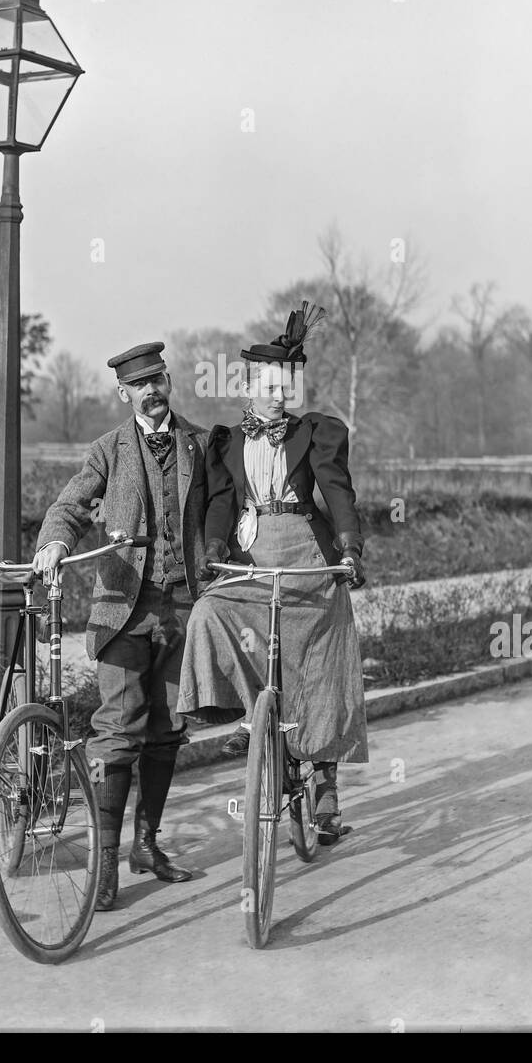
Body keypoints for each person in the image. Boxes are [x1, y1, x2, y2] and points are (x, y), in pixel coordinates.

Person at [175, 304, 368, 845]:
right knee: (211, 612)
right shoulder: (227, 442)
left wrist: (349, 545)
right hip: (251, 555)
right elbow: (219, 503)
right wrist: (215, 543)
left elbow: (336, 491)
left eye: (287, 386)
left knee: (322, 652)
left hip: (307, 550)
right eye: (269, 386)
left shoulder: (317, 434)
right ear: (249, 388)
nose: (279, 396)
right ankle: (250, 718)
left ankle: (325, 779)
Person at [33, 341, 209, 910]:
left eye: (158, 380)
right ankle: (104, 865)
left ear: (169, 381)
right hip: (123, 609)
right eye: (140, 385)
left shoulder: (200, 444)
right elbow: (70, 507)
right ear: (123, 393)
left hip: (184, 607)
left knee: (167, 728)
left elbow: (230, 509)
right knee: (118, 730)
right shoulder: (108, 450)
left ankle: (146, 846)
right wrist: (56, 543)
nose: (152, 391)